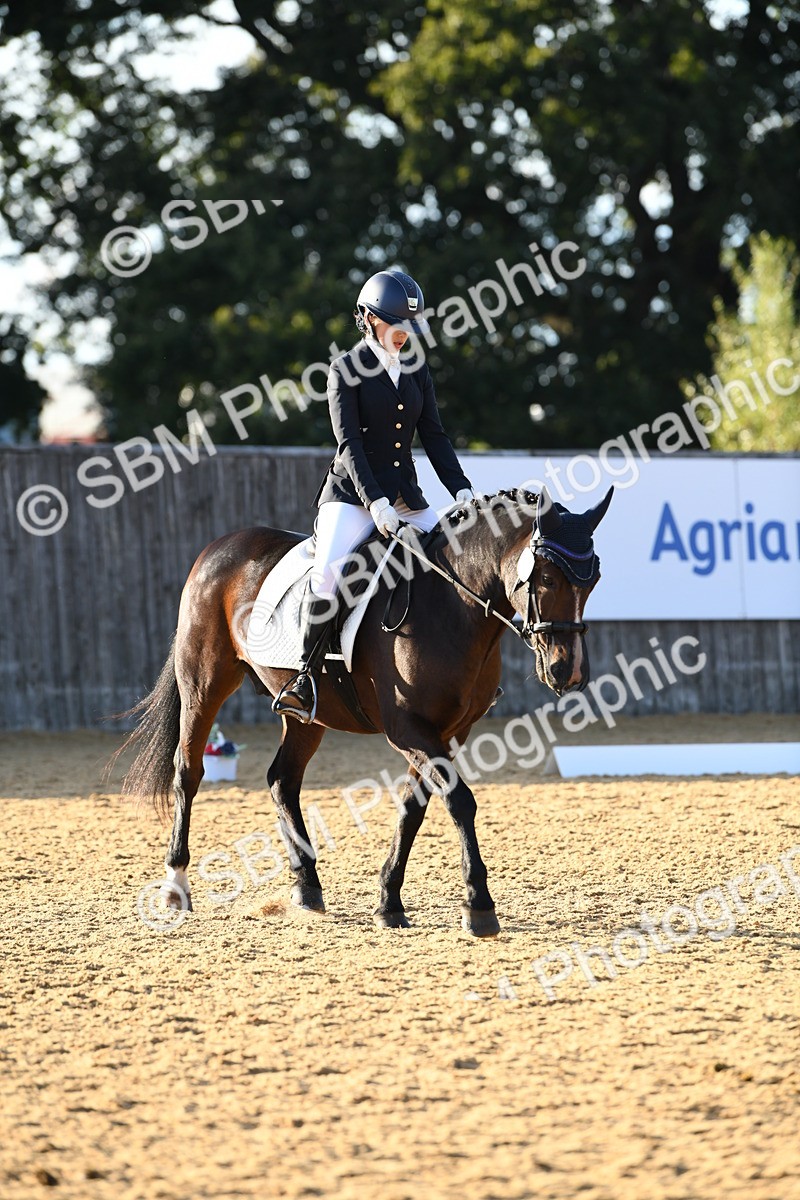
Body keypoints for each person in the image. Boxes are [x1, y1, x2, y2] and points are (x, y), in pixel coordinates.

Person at [272, 268, 475, 723]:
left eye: (411, 326)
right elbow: (351, 446)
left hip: (406, 494)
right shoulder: (344, 370)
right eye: (396, 324)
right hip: (351, 496)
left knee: (457, 562)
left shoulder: (418, 369)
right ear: (368, 319)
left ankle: (464, 671)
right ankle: (303, 679)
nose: (404, 334)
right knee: (328, 577)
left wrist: (461, 489)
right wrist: (376, 504)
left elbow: (435, 437)